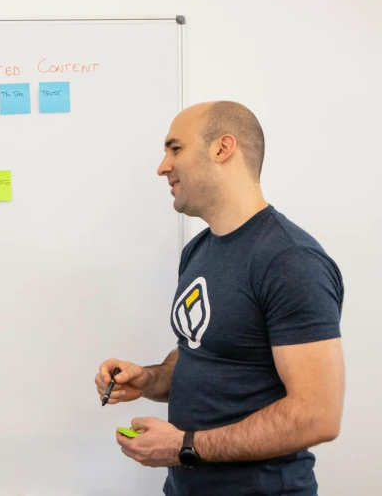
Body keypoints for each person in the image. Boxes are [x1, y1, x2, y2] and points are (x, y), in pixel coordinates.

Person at [95, 101, 344, 496]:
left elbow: (317, 416)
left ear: (222, 148)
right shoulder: (198, 251)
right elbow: (200, 353)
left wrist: (183, 446)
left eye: (175, 149)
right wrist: (149, 379)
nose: (162, 166)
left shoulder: (289, 259)